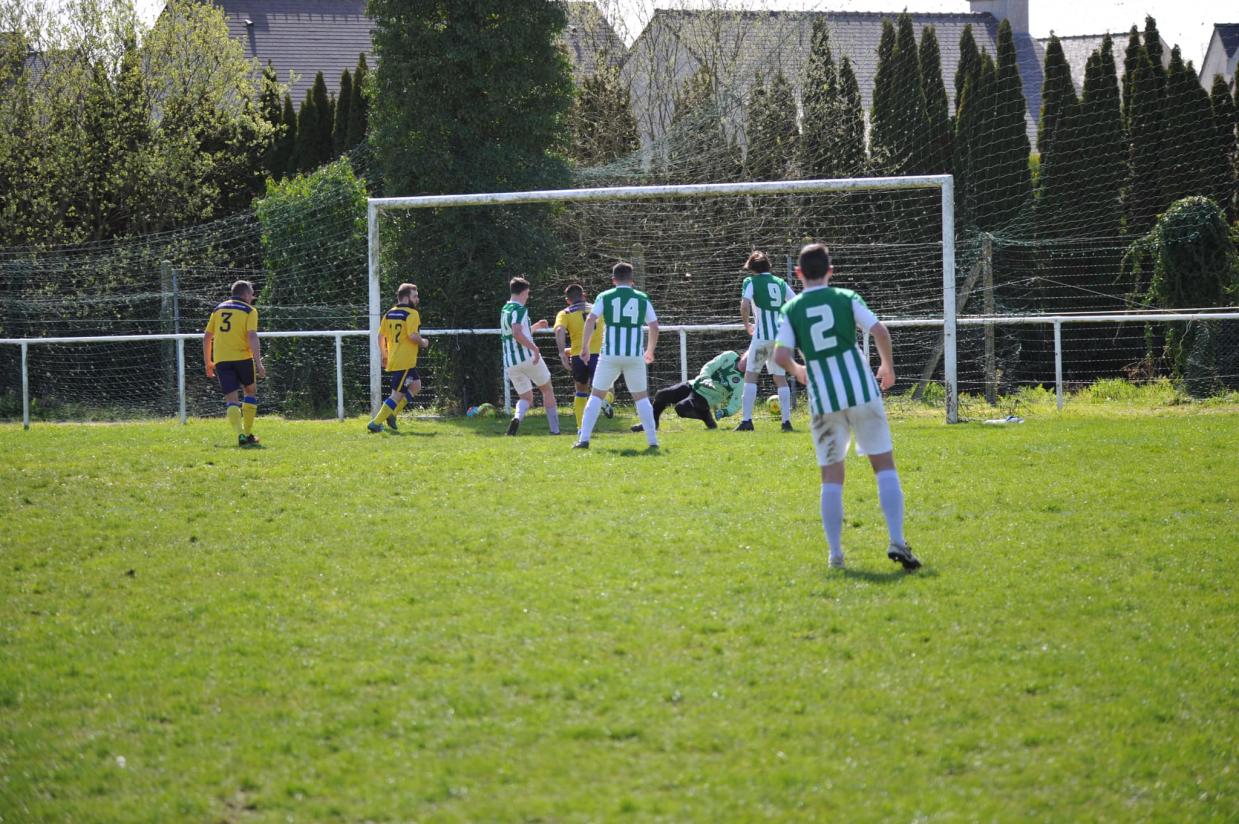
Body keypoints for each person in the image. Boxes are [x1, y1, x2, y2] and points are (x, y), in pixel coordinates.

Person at [773, 243, 920, 571]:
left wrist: (799, 371)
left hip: (824, 400)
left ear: (798, 274)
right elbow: (879, 330)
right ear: (830, 271)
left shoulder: (792, 308)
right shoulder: (845, 297)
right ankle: (897, 539)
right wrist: (888, 367)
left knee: (831, 475)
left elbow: (781, 356)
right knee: (884, 466)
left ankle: (836, 554)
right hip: (861, 392)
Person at [573, 262, 659, 449]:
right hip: (634, 355)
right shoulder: (642, 297)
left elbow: (591, 320)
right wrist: (650, 350)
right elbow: (654, 325)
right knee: (641, 398)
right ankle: (653, 442)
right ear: (632, 280)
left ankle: (584, 439)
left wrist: (585, 347)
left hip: (610, 355)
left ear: (613, 280)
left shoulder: (605, 296)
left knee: (596, 395)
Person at [737, 250, 795, 432]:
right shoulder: (780, 282)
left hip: (762, 337)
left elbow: (745, 304)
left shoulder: (750, 282)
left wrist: (747, 325)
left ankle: (747, 421)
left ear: (751, 268)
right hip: (780, 338)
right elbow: (795, 302)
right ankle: (786, 422)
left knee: (751, 375)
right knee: (780, 378)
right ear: (768, 265)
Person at [203, 280, 265, 447]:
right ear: (245, 295)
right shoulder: (249, 311)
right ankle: (248, 433)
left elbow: (207, 336)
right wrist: (258, 363)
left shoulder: (218, 309)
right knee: (250, 392)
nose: (252, 298)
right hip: (242, 357)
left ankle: (240, 436)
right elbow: (252, 336)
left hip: (222, 360)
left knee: (231, 398)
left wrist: (208, 362)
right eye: (252, 294)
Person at [368, 283, 430, 434]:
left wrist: (384, 354)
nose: (417, 299)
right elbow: (412, 336)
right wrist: (423, 342)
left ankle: (392, 415)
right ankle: (375, 423)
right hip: (405, 361)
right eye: (415, 296)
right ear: (406, 297)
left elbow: (381, 336)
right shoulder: (412, 314)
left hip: (397, 359)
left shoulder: (390, 313)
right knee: (396, 394)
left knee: (416, 385)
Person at [631, 351, 748, 432]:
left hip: (706, 398)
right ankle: (651, 425)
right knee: (662, 395)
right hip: (694, 384)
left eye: (750, 363)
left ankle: (705, 416)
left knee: (681, 408)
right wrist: (705, 377)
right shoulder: (730, 356)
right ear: (742, 355)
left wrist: (725, 412)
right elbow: (709, 366)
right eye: (746, 360)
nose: (746, 364)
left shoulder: (742, 381)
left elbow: (736, 403)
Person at [501, 277, 560, 436]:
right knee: (547, 389)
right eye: (528, 293)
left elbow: (519, 333)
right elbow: (517, 332)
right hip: (528, 357)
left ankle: (517, 419)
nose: (528, 296)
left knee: (526, 397)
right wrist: (534, 349)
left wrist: (535, 326)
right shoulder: (520, 309)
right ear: (523, 292)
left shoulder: (505, 309)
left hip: (511, 362)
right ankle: (555, 430)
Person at [553, 283, 613, 431]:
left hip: (578, 356)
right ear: (584, 295)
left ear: (568, 300)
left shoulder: (565, 313)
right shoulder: (598, 309)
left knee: (581, 390)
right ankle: (604, 401)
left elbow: (559, 330)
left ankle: (581, 428)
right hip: (598, 355)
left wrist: (562, 352)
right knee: (608, 388)